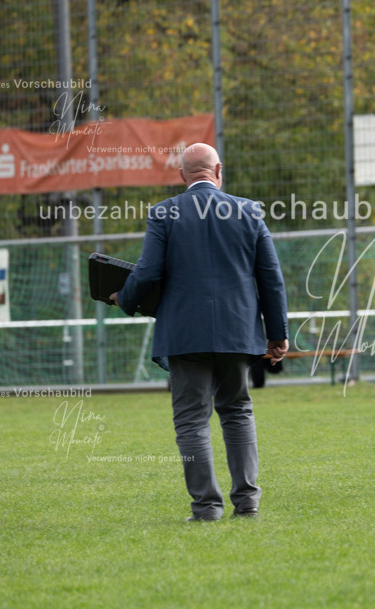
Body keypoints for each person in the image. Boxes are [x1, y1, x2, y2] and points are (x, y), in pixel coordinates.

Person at [112, 143, 289, 522]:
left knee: (192, 419)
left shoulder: (164, 212)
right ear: (218, 170)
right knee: (237, 411)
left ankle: (207, 508)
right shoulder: (249, 210)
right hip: (238, 331)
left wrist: (122, 299)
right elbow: (271, 279)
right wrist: (277, 333)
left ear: (182, 176)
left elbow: (147, 273)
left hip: (185, 333)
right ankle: (248, 502)